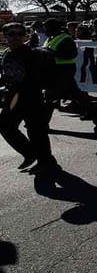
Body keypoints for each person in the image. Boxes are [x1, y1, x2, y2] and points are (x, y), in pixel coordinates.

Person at [0, 22, 59, 174]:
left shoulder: (30, 54)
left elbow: (34, 79)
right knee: (6, 126)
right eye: (12, 34)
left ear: (25, 36)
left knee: (36, 131)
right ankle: (31, 154)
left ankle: (45, 161)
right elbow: (6, 76)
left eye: (20, 34)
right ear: (5, 36)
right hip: (14, 96)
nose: (16, 37)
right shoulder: (7, 53)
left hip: (31, 97)